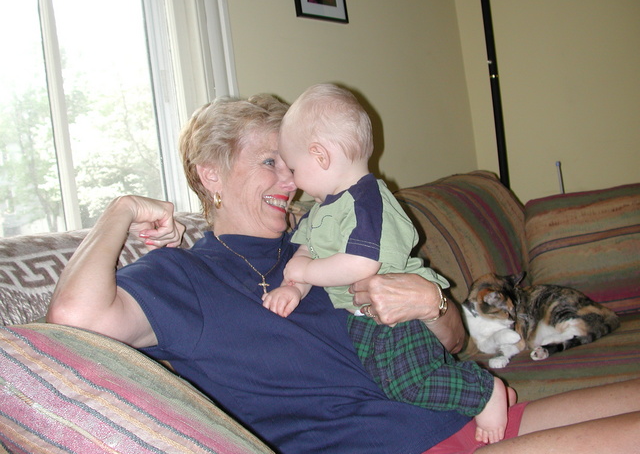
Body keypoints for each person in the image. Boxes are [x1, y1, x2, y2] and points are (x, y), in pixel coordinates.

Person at [47, 93, 640, 454]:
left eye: (293, 163)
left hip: (463, 413)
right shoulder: (182, 277)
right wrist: (120, 210)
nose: (290, 181)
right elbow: (73, 318)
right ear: (211, 175)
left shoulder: (326, 239)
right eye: (270, 162)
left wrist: (431, 303)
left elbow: (455, 344)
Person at [262, 83, 510, 443]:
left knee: (411, 383)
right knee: (388, 384)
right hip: (363, 318)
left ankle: (483, 392)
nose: (293, 182)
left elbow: (362, 264)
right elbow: (306, 252)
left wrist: (306, 272)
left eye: (295, 168)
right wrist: (294, 288)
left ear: (320, 155)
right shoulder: (320, 211)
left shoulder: (367, 200)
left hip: (400, 317)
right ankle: (465, 402)